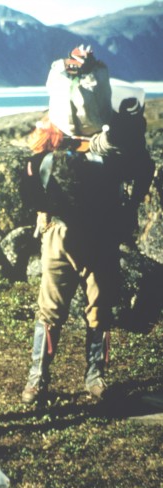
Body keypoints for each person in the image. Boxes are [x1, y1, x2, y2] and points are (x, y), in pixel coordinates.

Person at [21, 48, 154, 405]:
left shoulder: (112, 136)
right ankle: (41, 377)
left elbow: (142, 166)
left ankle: (87, 377)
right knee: (54, 306)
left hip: (90, 231)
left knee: (98, 305)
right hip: (68, 231)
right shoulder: (65, 133)